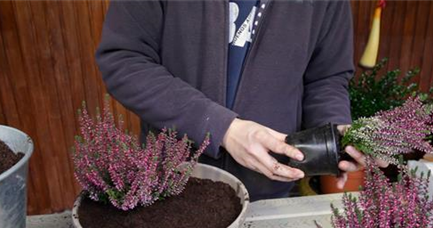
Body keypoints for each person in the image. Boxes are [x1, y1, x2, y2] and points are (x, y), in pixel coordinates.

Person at [96, 0, 379, 201]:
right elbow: (124, 60)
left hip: (272, 189)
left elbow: (325, 78)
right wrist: (224, 129)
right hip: (173, 185)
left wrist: (334, 138)